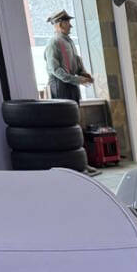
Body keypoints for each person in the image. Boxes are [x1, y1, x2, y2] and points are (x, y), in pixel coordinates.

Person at [43, 10, 98, 175]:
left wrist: (83, 74)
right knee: (66, 128)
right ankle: (70, 166)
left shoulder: (69, 42)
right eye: (67, 22)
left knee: (76, 126)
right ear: (59, 24)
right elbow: (55, 70)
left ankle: (81, 163)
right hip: (60, 87)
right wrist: (76, 80)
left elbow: (76, 61)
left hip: (72, 86)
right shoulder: (53, 43)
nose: (71, 25)